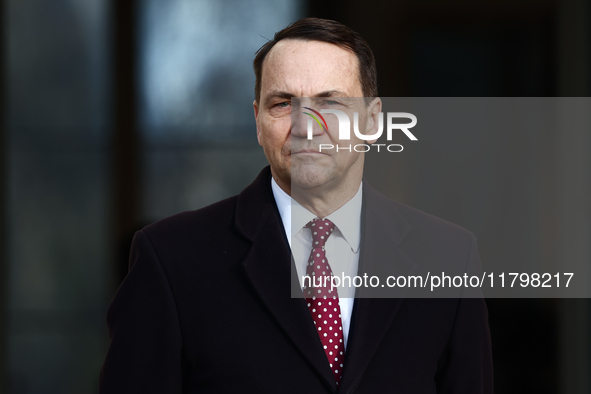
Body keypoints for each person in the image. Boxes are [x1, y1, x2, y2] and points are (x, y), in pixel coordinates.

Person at [99, 17, 493, 393]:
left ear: (373, 122)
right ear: (257, 121)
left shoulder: (449, 258)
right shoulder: (170, 258)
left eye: (330, 102)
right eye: (283, 103)